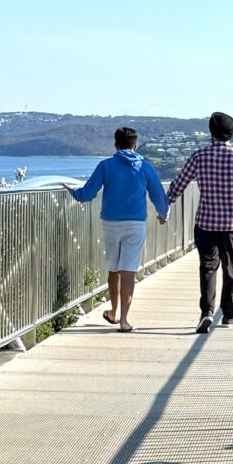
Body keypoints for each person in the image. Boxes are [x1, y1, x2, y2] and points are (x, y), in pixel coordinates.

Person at [167, 111, 233, 333]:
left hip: (206, 222)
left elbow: (179, 184)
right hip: (232, 223)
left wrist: (165, 205)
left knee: (208, 267)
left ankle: (207, 312)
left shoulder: (199, 156)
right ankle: (228, 315)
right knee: (230, 266)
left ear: (211, 132)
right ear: (231, 133)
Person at [69, 125, 170, 330]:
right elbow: (159, 196)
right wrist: (163, 215)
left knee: (113, 269)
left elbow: (87, 193)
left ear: (115, 145)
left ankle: (113, 312)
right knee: (128, 271)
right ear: (136, 144)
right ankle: (124, 320)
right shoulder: (145, 167)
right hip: (135, 224)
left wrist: (72, 190)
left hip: (110, 223)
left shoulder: (106, 166)